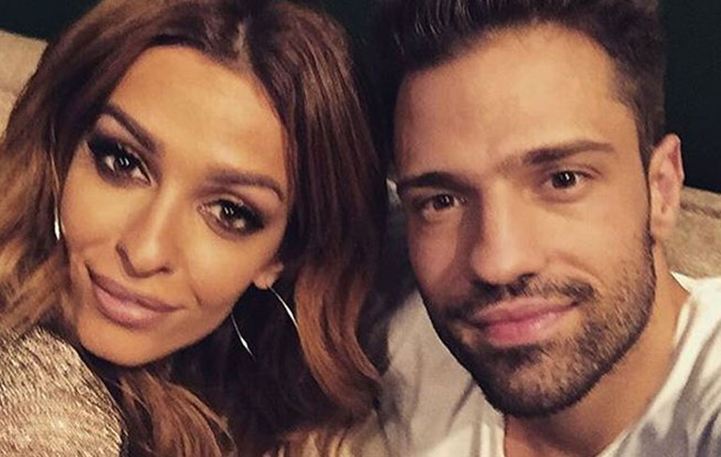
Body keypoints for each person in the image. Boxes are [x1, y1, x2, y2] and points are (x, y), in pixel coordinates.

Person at [0, 0, 387, 455]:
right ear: (62, 150)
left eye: (229, 212)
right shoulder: (44, 416)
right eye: (122, 161)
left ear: (283, 255)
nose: (145, 251)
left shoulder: (275, 419)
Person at [368, 0, 721, 455]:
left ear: (663, 188)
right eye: (442, 201)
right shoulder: (394, 330)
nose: (498, 263)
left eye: (563, 180)